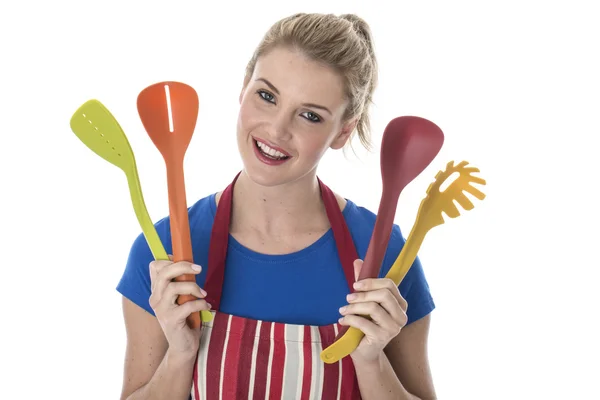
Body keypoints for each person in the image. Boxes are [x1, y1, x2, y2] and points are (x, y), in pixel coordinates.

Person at [117, 12, 437, 400]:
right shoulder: (162, 251)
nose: (276, 130)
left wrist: (371, 361)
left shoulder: (384, 254)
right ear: (243, 87)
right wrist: (181, 355)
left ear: (344, 131)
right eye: (266, 96)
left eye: (310, 115)